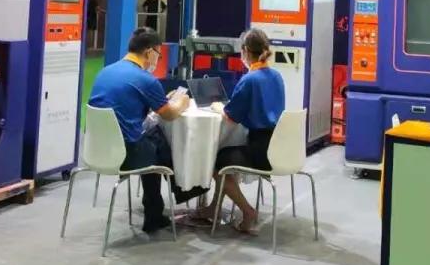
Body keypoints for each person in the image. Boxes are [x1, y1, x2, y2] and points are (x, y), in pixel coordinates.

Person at [88, 28, 199, 233]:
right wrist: (182, 103)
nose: (157, 60)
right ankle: (184, 189)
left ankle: (157, 209)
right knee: (158, 137)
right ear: (149, 52)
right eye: (158, 55)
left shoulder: (106, 72)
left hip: (97, 150)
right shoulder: (145, 79)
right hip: (127, 155)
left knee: (151, 141)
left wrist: (161, 99)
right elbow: (169, 114)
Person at [194, 28, 285, 234]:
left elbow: (230, 117)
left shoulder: (249, 80)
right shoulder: (276, 76)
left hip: (260, 150)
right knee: (228, 157)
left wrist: (218, 107)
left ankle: (247, 211)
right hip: (278, 147)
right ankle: (213, 208)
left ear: (244, 51)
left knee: (217, 163)